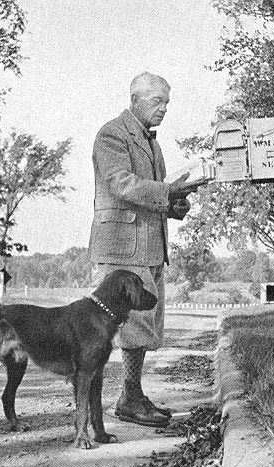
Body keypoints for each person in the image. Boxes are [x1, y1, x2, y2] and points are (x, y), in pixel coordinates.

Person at [88, 72, 206, 427]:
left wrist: (175, 205)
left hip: (149, 245)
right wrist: (169, 192)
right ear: (135, 100)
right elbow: (122, 185)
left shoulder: (151, 143)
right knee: (130, 325)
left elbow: (153, 194)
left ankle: (131, 395)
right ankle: (127, 398)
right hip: (122, 248)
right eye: (158, 102)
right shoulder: (112, 135)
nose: (164, 109)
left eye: (167, 103)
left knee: (146, 322)